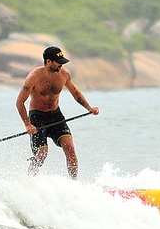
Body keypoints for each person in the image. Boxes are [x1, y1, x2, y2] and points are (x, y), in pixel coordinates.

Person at [15, 45, 99, 179]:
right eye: (58, 63)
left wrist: (89, 108)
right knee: (42, 153)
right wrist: (27, 124)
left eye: (62, 63)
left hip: (56, 116)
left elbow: (75, 93)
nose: (61, 66)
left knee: (70, 149)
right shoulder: (33, 77)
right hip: (37, 117)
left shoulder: (64, 74)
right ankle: (29, 180)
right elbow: (19, 102)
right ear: (48, 61)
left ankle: (73, 183)